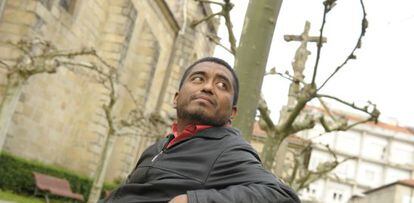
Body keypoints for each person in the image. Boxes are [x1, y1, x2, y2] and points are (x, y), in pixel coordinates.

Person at [104, 57, 300, 203]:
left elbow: (283, 197)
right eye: (198, 79)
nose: (208, 87)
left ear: (232, 112)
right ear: (176, 98)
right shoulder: (157, 148)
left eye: (222, 85)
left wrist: (194, 200)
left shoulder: (228, 149)